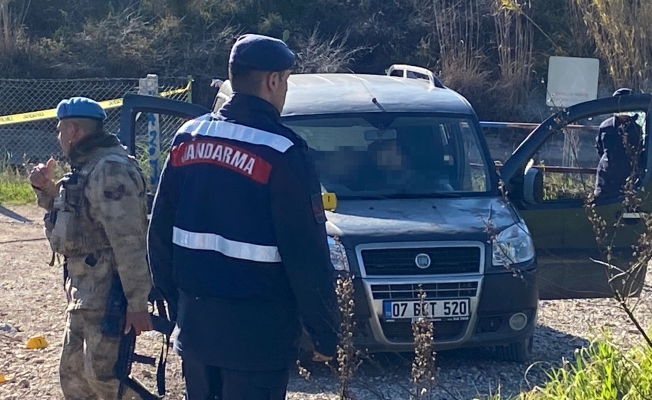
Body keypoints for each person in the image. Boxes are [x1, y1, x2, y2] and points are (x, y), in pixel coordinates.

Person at [147, 34, 340, 400]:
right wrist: (325, 331)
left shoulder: (188, 138)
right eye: (285, 79)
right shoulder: (282, 151)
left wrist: (177, 306)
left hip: (196, 327)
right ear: (272, 81)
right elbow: (306, 254)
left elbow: (158, 234)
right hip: (258, 338)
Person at [29, 97, 153, 400]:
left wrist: (138, 303)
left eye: (60, 130)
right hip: (84, 292)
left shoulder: (110, 169)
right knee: (73, 377)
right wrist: (45, 191)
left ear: (73, 131)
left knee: (105, 379)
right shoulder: (88, 166)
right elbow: (73, 217)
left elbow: (129, 239)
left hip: (106, 292)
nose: (59, 138)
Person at [594, 87, 645, 199]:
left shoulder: (637, 129)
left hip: (628, 183)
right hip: (605, 183)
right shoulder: (605, 126)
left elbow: (641, 154)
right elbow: (599, 149)